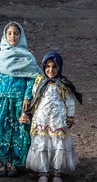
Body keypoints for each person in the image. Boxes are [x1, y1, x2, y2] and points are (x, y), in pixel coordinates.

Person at [0, 22, 42, 178]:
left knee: (19, 130)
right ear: (5, 36)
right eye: (9, 33)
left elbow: (32, 77)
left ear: (21, 35)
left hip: (19, 102)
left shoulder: (27, 57)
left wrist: (27, 97)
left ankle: (15, 163)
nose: (13, 36)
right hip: (1, 100)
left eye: (16, 33)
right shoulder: (0, 57)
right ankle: (2, 163)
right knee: (1, 128)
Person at [25, 52, 82, 182]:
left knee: (58, 146)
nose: (50, 70)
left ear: (59, 67)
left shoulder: (62, 84)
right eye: (48, 67)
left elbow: (70, 102)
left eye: (54, 67)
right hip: (42, 119)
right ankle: (43, 172)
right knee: (42, 145)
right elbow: (34, 98)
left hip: (58, 120)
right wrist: (29, 113)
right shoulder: (40, 82)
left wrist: (70, 117)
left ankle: (56, 172)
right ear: (44, 67)